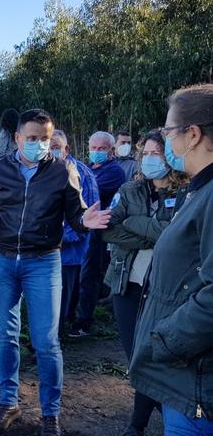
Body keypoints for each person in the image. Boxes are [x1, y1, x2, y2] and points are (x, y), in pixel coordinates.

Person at [0, 109, 111, 436]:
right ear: (18, 138)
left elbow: (75, 216)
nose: (38, 144)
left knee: (46, 342)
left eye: (44, 139)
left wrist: (86, 221)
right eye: (32, 138)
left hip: (43, 262)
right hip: (2, 259)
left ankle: (50, 413)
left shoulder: (62, 171)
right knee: (6, 336)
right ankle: (8, 403)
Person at [130, 84, 213, 436]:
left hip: (196, 382)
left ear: (193, 134)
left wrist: (166, 339)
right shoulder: (199, 189)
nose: (163, 142)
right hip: (191, 375)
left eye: (168, 131)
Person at [102, 130, 187, 436]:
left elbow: (175, 237)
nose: (151, 159)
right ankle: (165, 423)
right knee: (138, 357)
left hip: (166, 292)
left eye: (158, 153)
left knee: (156, 358)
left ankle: (136, 429)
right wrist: (151, 231)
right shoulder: (130, 190)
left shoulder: (188, 195)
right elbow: (108, 228)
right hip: (127, 287)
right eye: (147, 153)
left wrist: (136, 224)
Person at [69, 131, 126, 337]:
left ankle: (84, 321)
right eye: (93, 148)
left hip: (98, 230)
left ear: (111, 150)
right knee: (74, 273)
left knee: (89, 274)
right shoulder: (87, 168)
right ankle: (70, 315)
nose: (96, 152)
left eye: (102, 149)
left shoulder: (114, 172)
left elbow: (84, 194)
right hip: (80, 227)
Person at [49, 131, 99, 337]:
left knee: (60, 299)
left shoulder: (81, 173)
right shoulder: (45, 171)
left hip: (68, 251)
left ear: (66, 149)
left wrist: (59, 238)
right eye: (47, 144)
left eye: (56, 145)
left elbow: (85, 214)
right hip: (48, 249)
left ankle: (54, 339)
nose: (51, 149)